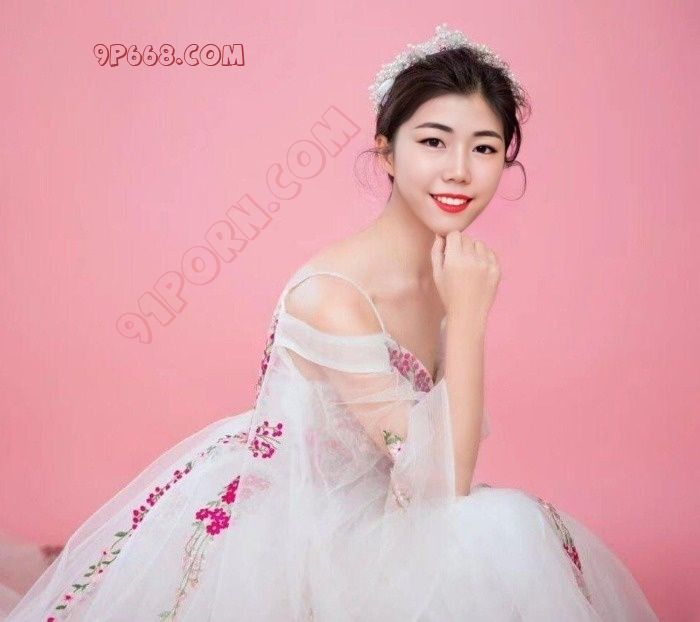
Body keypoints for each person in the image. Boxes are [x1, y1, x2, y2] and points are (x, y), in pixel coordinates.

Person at [5, 23, 659, 621]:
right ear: (386, 153)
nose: (459, 170)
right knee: (499, 528)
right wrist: (468, 321)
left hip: (389, 517)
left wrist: (459, 310)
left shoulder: (447, 273)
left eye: (484, 148)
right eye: (433, 142)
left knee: (501, 533)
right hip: (301, 539)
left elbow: (436, 480)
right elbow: (443, 487)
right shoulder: (332, 296)